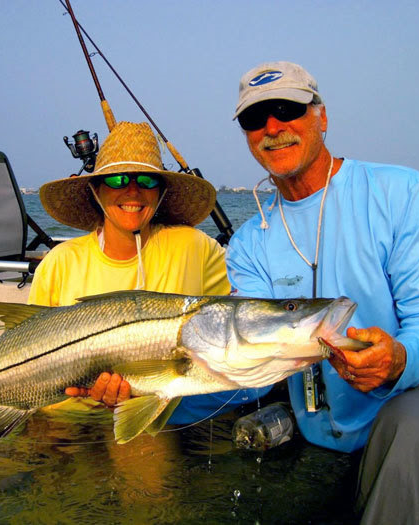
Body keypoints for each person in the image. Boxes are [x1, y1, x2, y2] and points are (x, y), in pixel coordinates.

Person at [225, 61, 419, 524]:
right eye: (255, 119)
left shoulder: (401, 191)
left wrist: (397, 358)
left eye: (286, 109)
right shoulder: (248, 243)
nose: (272, 128)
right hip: (323, 427)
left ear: (322, 116)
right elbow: (246, 353)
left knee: (408, 426)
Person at [30, 120, 268, 422]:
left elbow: (239, 317)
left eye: (147, 180)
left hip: (150, 412)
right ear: (95, 190)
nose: (133, 192)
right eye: (117, 181)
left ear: (161, 192)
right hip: (58, 413)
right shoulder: (58, 263)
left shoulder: (196, 248)